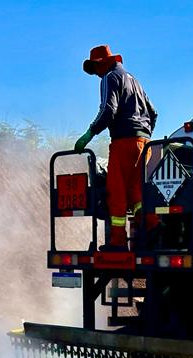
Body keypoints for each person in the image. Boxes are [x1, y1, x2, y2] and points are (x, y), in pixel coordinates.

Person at [75, 45, 158, 250]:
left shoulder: (110, 77)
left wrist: (89, 133)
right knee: (137, 191)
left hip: (123, 142)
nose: (96, 75)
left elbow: (108, 110)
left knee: (117, 191)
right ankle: (153, 228)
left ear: (102, 63)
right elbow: (154, 112)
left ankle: (118, 242)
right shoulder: (134, 80)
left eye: (95, 69)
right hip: (144, 143)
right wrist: (145, 136)